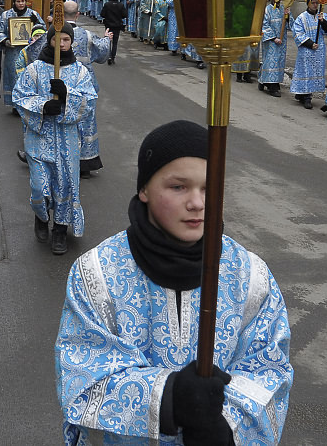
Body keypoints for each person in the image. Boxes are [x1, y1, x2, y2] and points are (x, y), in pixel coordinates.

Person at [55, 120, 293, 446]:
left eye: (208, 188)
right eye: (178, 187)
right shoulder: (97, 274)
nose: (197, 203)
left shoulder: (250, 276)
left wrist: (227, 425)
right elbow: (83, 378)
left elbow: (269, 370)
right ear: (144, 189)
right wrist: (171, 398)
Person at [12, 24, 97, 255]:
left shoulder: (80, 72)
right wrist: (43, 106)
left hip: (68, 140)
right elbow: (19, 96)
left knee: (66, 184)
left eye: (66, 40)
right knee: (40, 187)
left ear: (72, 43)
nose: (61, 44)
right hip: (38, 138)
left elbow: (89, 103)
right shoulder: (34, 70)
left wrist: (68, 95)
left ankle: (60, 229)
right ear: (49, 41)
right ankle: (41, 217)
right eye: (56, 39)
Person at [64, 1, 112, 178]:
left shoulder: (55, 35)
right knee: (86, 123)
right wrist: (107, 38)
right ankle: (85, 163)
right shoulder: (88, 35)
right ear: (77, 14)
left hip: (63, 85)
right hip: (85, 87)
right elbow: (102, 54)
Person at [0, 0, 45, 111]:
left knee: (28, 77)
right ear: (14, 2)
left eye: (23, 1)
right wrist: (6, 41)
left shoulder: (33, 14)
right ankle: (16, 106)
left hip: (30, 53)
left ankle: (29, 103)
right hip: (13, 53)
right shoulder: (6, 15)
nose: (21, 3)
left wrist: (36, 23)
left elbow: (42, 31)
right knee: (14, 77)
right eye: (18, 1)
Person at [290, 0, 327, 109]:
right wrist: (310, 44)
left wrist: (322, 21)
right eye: (313, 3)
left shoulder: (323, 15)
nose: (315, 5)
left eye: (317, 3)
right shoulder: (302, 18)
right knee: (306, 72)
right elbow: (297, 33)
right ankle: (307, 97)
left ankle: (302, 94)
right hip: (306, 50)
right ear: (308, 3)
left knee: (314, 73)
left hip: (319, 50)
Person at [258, 0, 290, 97]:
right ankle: (272, 87)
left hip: (282, 41)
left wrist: (288, 16)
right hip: (271, 41)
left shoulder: (284, 8)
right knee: (270, 61)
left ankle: (264, 81)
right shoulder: (267, 9)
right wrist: (274, 38)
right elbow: (264, 25)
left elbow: (291, 24)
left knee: (278, 63)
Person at [100, 0, 126, 65]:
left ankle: (108, 56)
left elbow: (102, 14)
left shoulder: (107, 4)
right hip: (117, 26)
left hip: (108, 25)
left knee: (108, 41)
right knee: (115, 42)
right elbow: (125, 15)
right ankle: (113, 57)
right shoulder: (120, 5)